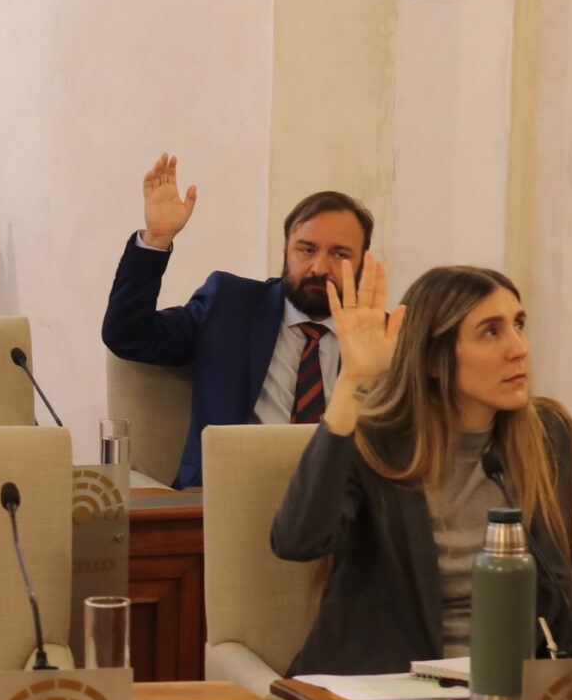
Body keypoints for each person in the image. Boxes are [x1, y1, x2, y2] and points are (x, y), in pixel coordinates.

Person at [272, 257, 572, 676]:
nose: (519, 349)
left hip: (510, 690)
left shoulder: (546, 434)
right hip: (386, 689)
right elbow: (298, 541)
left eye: (518, 325)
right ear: (432, 361)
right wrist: (353, 381)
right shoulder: (372, 441)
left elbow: (562, 600)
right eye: (491, 331)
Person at [102, 153, 373, 488]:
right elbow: (128, 336)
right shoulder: (230, 307)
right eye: (306, 250)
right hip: (229, 493)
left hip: (339, 502)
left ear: (364, 263)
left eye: (340, 254)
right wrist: (156, 241)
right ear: (286, 251)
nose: (319, 267)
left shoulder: (385, 339)